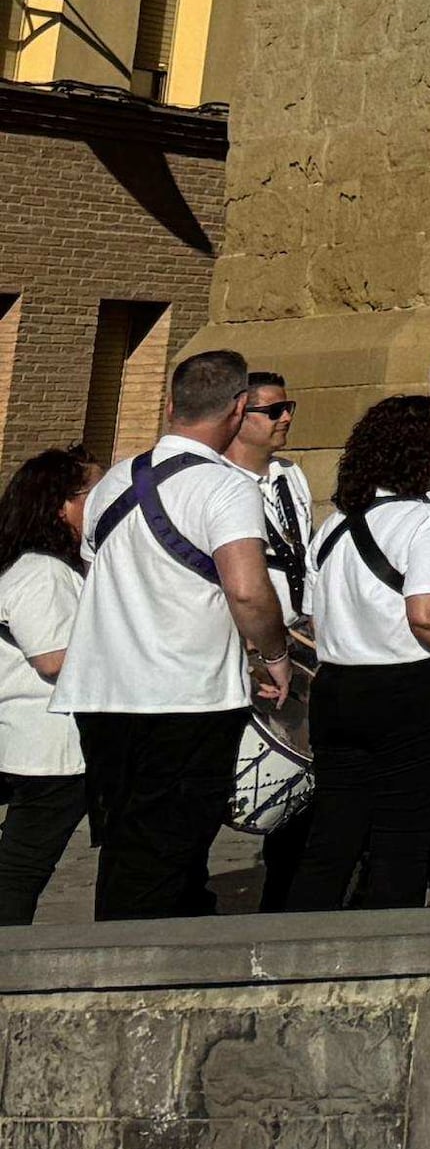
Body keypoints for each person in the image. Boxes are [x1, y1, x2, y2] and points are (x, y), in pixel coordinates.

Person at [62, 348, 285, 921]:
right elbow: (247, 591)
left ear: (169, 405)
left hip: (103, 692)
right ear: (238, 409)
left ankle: (170, 945)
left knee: (129, 844)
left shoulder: (114, 481)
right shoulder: (226, 488)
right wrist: (275, 654)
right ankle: (133, 973)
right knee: (164, 850)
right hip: (183, 696)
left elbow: (99, 567)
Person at [294, 392, 430, 910]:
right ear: (423, 455)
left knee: (332, 838)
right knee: (401, 841)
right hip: (412, 691)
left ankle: (290, 948)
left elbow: (318, 620)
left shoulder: (333, 525)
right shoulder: (424, 522)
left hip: (339, 688)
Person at [0, 451, 96, 925]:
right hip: (49, 749)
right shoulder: (43, 572)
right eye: (91, 495)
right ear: (62, 506)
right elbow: (54, 659)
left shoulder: (38, 566)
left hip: (33, 742)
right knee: (20, 871)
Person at [224, 372, 316, 637]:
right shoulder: (219, 479)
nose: (286, 418)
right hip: (250, 638)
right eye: (274, 411)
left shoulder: (290, 473)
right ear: (239, 414)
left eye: (288, 408)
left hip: (302, 633)